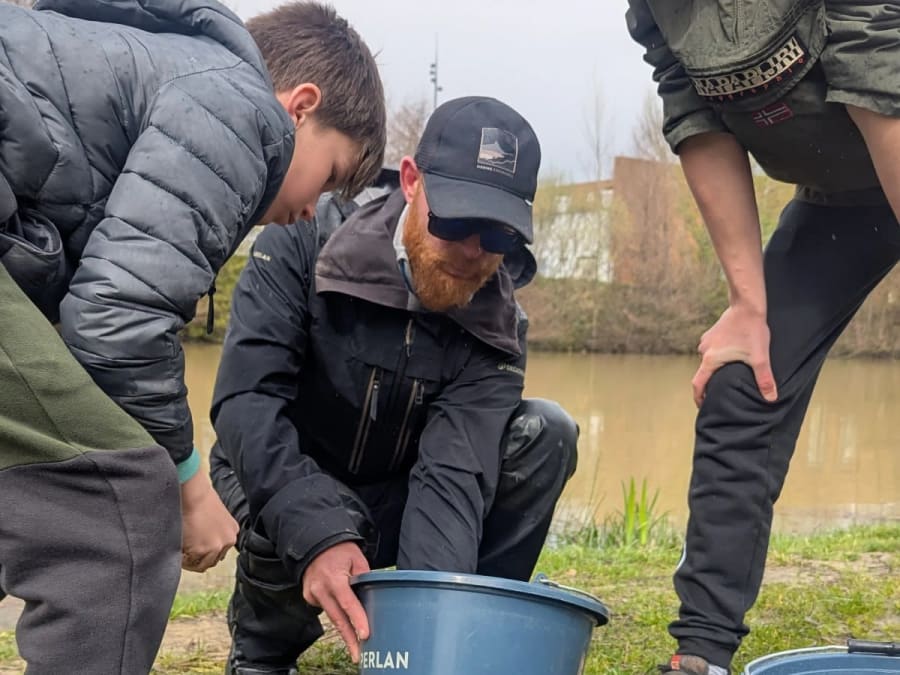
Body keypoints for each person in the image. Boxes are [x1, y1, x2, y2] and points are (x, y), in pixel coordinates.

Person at [0, 0, 384, 672]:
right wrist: (187, 483)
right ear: (298, 106)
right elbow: (117, 323)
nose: (307, 215)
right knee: (116, 513)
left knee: (39, 474)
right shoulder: (242, 110)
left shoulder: (159, 75)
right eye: (329, 176)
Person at [209, 96, 580, 674]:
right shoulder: (303, 240)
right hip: (292, 468)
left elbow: (453, 476)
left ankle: (463, 632)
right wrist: (318, 532)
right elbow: (246, 403)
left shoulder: (500, 324)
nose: (474, 251)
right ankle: (263, 649)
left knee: (544, 432)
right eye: (455, 220)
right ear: (411, 182)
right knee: (280, 488)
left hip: (398, 488)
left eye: (500, 235)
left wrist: (423, 644)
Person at [625, 1, 900, 673]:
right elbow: (693, 111)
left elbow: (880, 74)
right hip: (844, 199)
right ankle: (702, 651)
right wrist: (749, 303)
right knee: (744, 377)